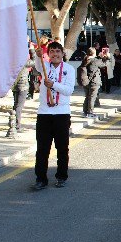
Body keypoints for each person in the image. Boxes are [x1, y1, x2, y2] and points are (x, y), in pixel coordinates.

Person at [32, 41, 76, 190]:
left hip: (61, 113)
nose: (55, 54)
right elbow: (38, 64)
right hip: (44, 113)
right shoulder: (45, 67)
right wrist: (38, 56)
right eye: (52, 52)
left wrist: (54, 85)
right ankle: (41, 178)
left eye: (58, 51)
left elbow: (69, 90)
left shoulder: (69, 69)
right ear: (49, 54)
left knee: (62, 148)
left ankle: (61, 176)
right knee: (42, 148)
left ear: (62, 53)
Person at [77, 48, 102, 118]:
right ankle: (90, 112)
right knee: (92, 97)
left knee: (87, 97)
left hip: (86, 81)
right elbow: (104, 64)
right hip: (94, 82)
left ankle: (85, 112)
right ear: (94, 53)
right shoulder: (94, 60)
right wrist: (102, 57)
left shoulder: (85, 60)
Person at [12, 53, 34, 132]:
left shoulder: (13, 60)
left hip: (15, 85)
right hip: (23, 86)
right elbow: (34, 62)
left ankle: (13, 122)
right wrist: (32, 51)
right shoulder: (24, 61)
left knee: (16, 104)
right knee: (19, 106)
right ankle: (17, 125)